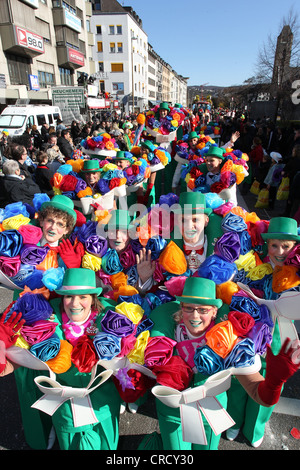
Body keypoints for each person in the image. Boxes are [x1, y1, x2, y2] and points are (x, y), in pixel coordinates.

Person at [143, 276, 300, 450]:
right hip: (174, 414)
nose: (195, 315)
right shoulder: (166, 334)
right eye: (189, 308)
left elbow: (260, 396)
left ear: (214, 311)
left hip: (211, 412)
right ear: (181, 307)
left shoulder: (229, 340)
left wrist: (275, 382)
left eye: (203, 310)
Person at [0, 268, 122, 450]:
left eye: (83, 297)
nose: (74, 303)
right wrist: (1, 342)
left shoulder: (110, 319)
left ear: (93, 298)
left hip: (103, 404)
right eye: (68, 296)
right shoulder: (44, 324)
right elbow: (6, 368)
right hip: (66, 409)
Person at [226, 216, 300, 447]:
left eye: (285, 246)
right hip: (250, 333)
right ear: (266, 245)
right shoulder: (255, 267)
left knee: (271, 379)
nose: (279, 251)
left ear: (294, 248)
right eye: (274, 245)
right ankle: (233, 421)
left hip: (281, 338)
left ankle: (254, 428)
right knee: (241, 375)